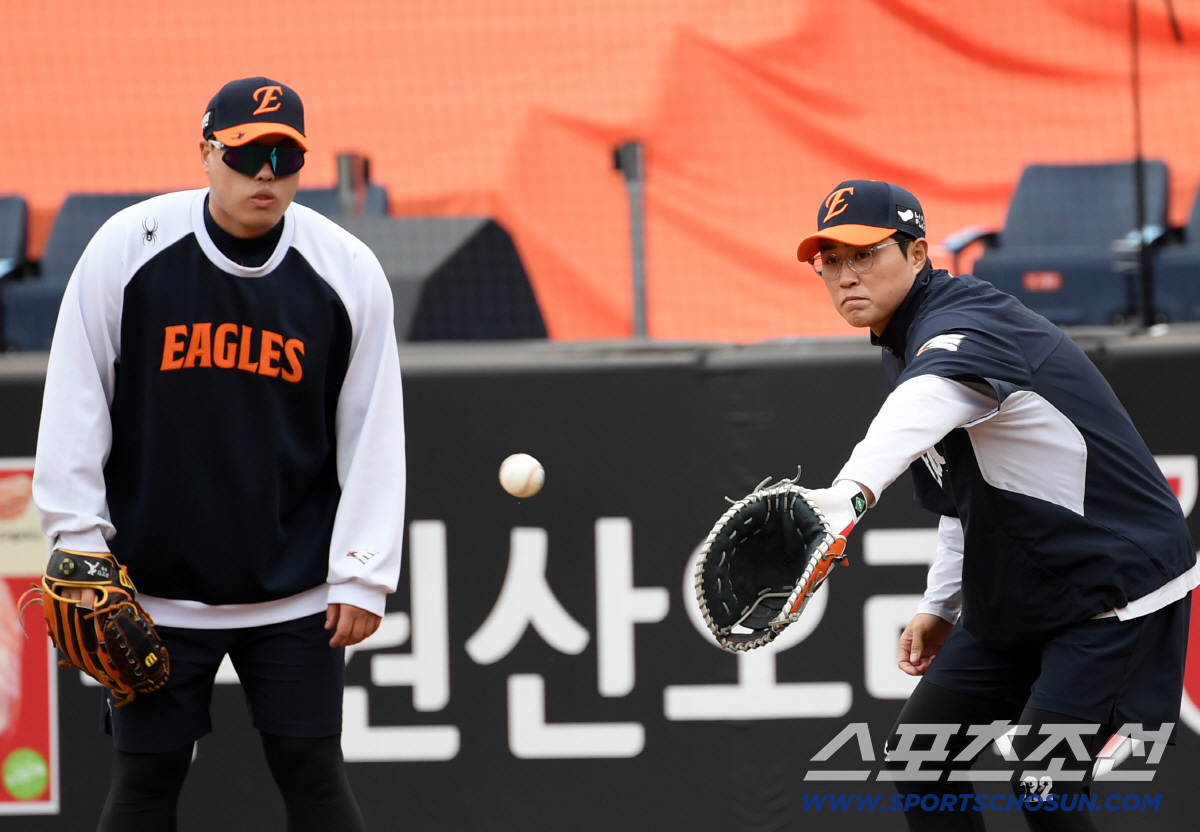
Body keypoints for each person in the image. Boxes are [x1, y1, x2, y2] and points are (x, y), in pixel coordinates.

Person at [32, 77, 405, 831]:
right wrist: (77, 541)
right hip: (152, 584)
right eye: (244, 153)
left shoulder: (346, 268)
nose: (265, 173)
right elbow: (76, 398)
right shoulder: (130, 248)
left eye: (284, 155)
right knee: (146, 776)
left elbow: (372, 423)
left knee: (312, 768)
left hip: (294, 584)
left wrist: (363, 571)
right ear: (205, 152)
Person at [795, 180, 1196, 831]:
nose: (845, 276)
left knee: (1042, 781)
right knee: (920, 762)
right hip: (1028, 589)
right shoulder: (906, 344)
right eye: (831, 261)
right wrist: (939, 605)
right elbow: (960, 504)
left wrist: (847, 494)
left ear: (920, 252)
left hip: (1110, 587)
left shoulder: (967, 323)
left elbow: (922, 404)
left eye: (864, 255)